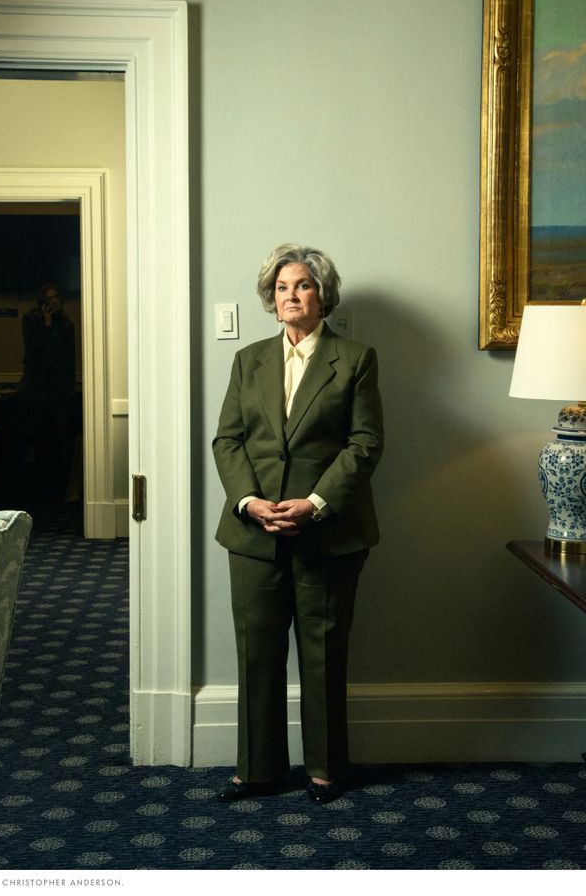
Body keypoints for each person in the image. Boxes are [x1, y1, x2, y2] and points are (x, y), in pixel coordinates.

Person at [212, 244, 383, 805]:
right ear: (271, 297)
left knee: (323, 652)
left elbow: (365, 444)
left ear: (323, 295)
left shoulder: (355, 358)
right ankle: (257, 770)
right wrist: (247, 501)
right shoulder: (248, 360)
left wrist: (315, 502)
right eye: (282, 287)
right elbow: (228, 440)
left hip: (328, 532)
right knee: (256, 653)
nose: (291, 295)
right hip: (253, 532)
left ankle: (326, 771)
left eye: (303, 285)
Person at [18, 283, 76, 501]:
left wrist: (70, 387)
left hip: (60, 389)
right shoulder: (31, 321)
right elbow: (32, 352)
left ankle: (60, 485)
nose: (54, 301)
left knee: (61, 435)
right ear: (42, 302)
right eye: (50, 298)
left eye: (57, 297)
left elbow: (68, 357)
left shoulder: (67, 324)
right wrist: (46, 324)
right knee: (38, 435)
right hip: (37, 388)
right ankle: (39, 487)